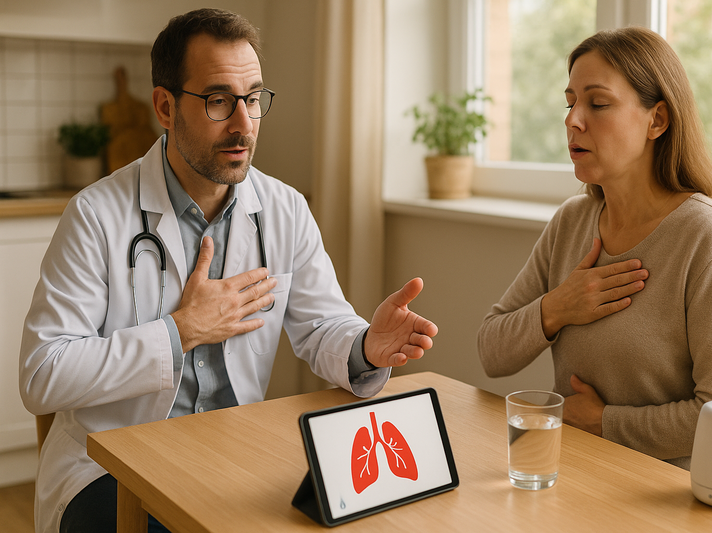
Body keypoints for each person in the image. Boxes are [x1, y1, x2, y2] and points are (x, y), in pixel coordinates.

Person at [19, 9, 438, 533]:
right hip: (108, 465)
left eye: (254, 98)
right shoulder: (96, 215)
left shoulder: (285, 210)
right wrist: (180, 332)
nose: (244, 124)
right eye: (219, 101)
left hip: (234, 452)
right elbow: (41, 375)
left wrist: (366, 347)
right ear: (165, 107)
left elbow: (322, 327)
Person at [477, 27, 712, 470]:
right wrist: (558, 307)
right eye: (570, 102)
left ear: (657, 120)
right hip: (576, 474)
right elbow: (491, 352)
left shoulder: (709, 238)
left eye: (598, 103)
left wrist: (604, 423)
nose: (573, 119)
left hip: (667, 498)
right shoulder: (571, 222)